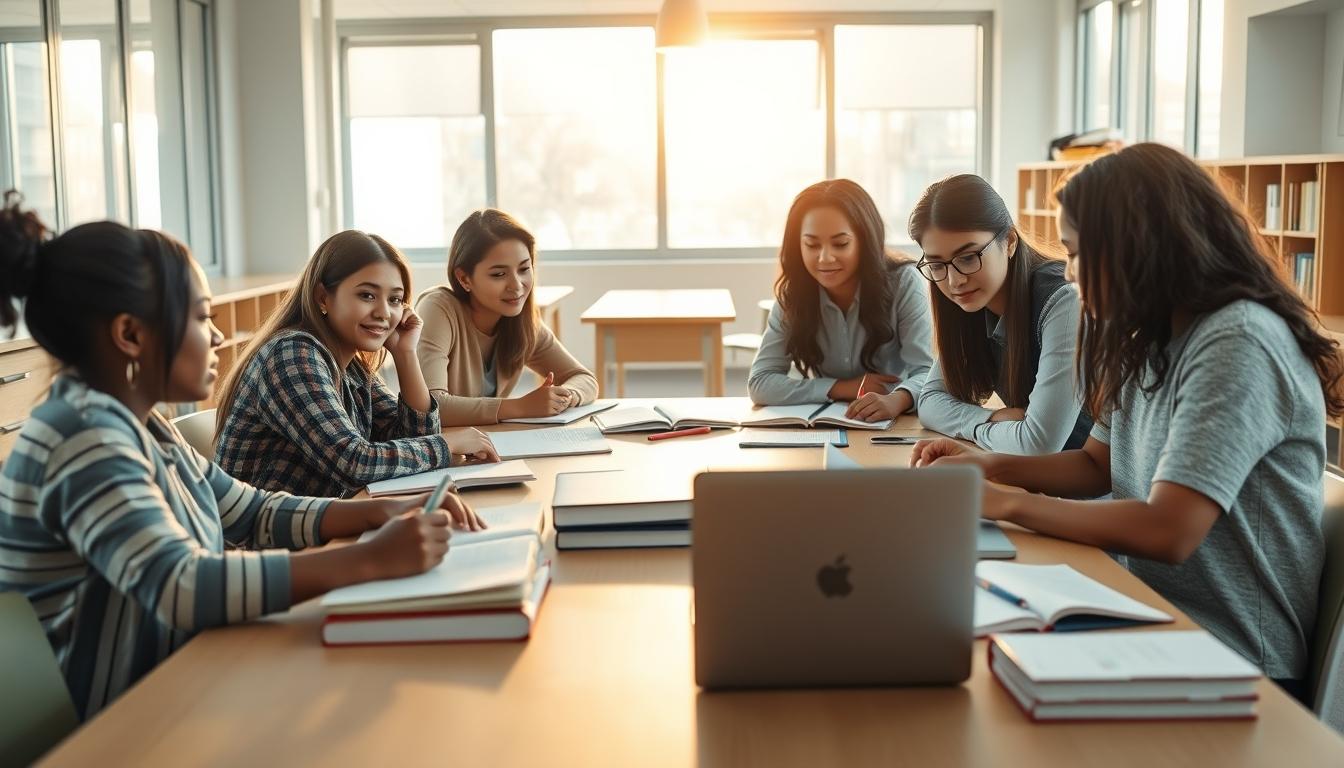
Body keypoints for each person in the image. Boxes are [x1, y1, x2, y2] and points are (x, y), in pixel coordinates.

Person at [0, 196, 483, 718]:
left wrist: (377, 511)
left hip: (187, 670)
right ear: (131, 335)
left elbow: (249, 510)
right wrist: (366, 558)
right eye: (201, 316)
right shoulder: (85, 437)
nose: (216, 335)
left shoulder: (136, 422)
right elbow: (180, 584)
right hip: (128, 718)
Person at [911, 144, 1342, 694]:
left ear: (1141, 246)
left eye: (1077, 253)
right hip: (1140, 607)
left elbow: (1171, 529)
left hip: (1231, 652)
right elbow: (1097, 465)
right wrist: (991, 466)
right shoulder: (1142, 334)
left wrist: (1007, 502)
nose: (1068, 272)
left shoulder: (1238, 341)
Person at [215, 230, 498, 498]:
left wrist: (405, 354)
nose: (384, 313)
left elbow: (416, 436)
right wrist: (448, 444)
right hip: (271, 543)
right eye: (367, 295)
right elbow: (355, 464)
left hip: (328, 528)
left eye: (395, 299)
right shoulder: (291, 354)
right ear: (323, 297)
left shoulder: (352, 365)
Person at [909, 174, 1090, 453]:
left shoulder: (1063, 300)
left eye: (968, 257)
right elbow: (930, 402)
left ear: (1009, 242)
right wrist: (989, 419)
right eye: (936, 264)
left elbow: (1039, 445)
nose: (954, 281)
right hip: (1031, 481)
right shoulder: (970, 301)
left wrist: (974, 427)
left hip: (1097, 491)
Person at [748, 179, 933, 422]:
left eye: (841, 244)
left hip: (896, 423)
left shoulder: (903, 282)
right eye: (811, 245)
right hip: (827, 425)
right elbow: (761, 382)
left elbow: (926, 373)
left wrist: (896, 400)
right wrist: (845, 387)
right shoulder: (793, 294)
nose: (825, 258)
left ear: (864, 241)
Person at [416, 209, 597, 427]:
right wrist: (520, 407)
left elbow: (585, 379)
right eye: (499, 274)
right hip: (441, 450)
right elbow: (431, 407)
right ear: (464, 278)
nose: (517, 285)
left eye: (523, 269)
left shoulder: (521, 322)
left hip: (488, 445)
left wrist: (564, 396)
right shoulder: (438, 308)